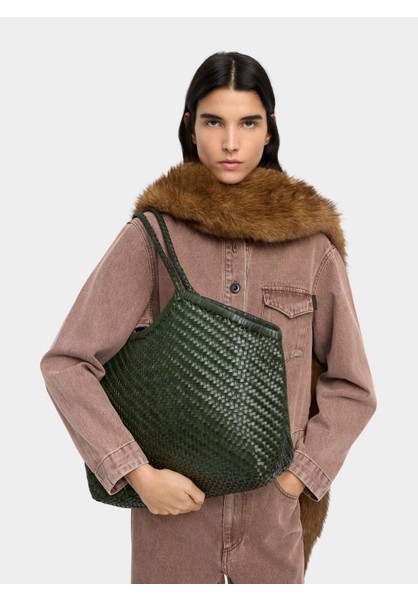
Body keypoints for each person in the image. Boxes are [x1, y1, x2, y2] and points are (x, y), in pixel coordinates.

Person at [40, 51, 377, 584]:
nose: (230, 142)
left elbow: (353, 386)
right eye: (214, 122)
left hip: (273, 526)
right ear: (189, 127)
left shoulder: (311, 248)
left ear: (270, 130)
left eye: (249, 123)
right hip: (170, 522)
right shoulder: (153, 237)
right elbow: (67, 363)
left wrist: (296, 479)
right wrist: (137, 474)